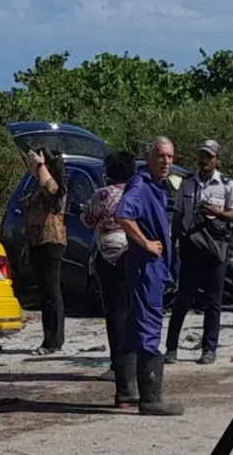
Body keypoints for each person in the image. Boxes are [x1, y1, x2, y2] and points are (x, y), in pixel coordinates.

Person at [114, 136, 184, 416]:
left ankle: (126, 391)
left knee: (134, 326)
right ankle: (151, 399)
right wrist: (146, 243)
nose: (166, 161)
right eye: (161, 156)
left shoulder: (158, 186)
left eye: (170, 157)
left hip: (152, 267)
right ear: (150, 157)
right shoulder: (141, 185)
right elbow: (123, 215)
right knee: (149, 326)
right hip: (146, 267)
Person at [165, 140, 233, 365]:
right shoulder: (187, 183)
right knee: (182, 300)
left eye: (209, 156)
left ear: (217, 159)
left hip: (216, 249)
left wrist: (217, 212)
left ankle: (209, 348)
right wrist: (173, 243)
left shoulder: (227, 185)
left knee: (213, 301)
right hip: (191, 248)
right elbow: (178, 214)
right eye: (202, 156)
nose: (204, 161)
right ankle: (170, 348)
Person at [81, 150, 136, 384]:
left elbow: (87, 220)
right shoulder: (136, 194)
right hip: (132, 253)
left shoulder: (101, 195)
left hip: (107, 256)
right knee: (131, 311)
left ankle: (117, 365)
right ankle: (133, 363)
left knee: (114, 313)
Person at [21, 147, 68, 356]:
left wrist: (41, 166)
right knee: (44, 292)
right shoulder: (34, 186)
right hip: (37, 242)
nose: (31, 166)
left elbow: (51, 189)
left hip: (51, 241)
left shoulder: (54, 185)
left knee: (51, 292)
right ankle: (50, 337)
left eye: (36, 162)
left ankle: (53, 340)